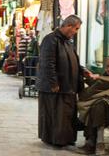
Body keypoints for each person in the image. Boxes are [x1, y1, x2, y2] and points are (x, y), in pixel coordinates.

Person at [37, 15, 87, 148]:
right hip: (56, 87)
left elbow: (73, 61)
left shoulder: (67, 42)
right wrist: (53, 83)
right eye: (76, 29)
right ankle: (55, 139)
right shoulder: (51, 40)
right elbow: (48, 63)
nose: (76, 32)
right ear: (68, 26)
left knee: (66, 114)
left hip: (68, 86)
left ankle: (66, 138)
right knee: (56, 114)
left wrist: (83, 71)